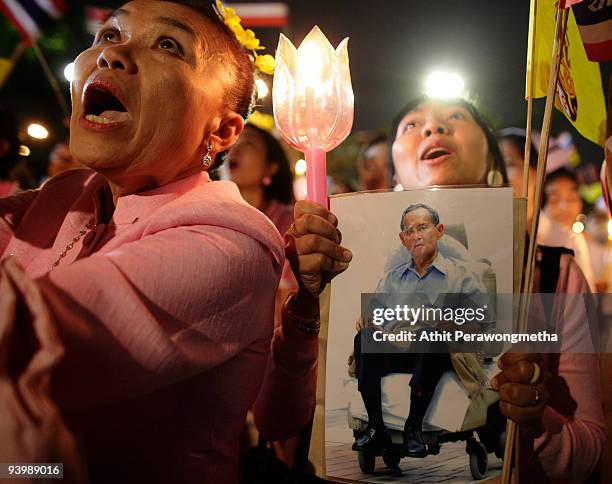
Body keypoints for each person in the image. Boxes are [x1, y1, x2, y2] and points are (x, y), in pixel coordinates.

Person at [0, 1, 351, 483]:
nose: (112, 54)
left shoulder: (236, 239)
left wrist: (304, 309)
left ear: (224, 130)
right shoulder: (56, 199)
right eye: (108, 34)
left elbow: (28, 336)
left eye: (168, 44)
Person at [385, 95, 605, 481]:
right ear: (394, 179)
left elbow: (590, 451)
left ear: (492, 160)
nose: (433, 128)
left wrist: (535, 421)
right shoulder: (358, 270)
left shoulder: (556, 275)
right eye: (411, 124)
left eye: (456, 116)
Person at [352, 202, 487, 456]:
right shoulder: (392, 278)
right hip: (399, 346)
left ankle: (413, 427)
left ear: (439, 231)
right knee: (365, 338)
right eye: (409, 231)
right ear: (403, 240)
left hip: (436, 351)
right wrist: (367, 318)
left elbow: (480, 321)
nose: (416, 235)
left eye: (422, 227)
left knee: (431, 335)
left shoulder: (462, 275)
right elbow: (375, 313)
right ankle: (376, 428)